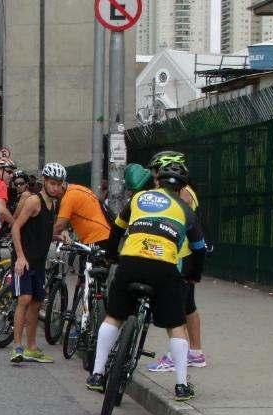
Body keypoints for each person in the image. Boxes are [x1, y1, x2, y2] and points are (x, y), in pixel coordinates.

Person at [86, 160, 206, 402]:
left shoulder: (138, 200)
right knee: (175, 326)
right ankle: (182, 385)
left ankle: (97, 374)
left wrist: (111, 256)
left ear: (157, 181)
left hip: (131, 262)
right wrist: (194, 274)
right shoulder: (185, 209)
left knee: (114, 316)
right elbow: (199, 248)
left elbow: (117, 230)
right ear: (182, 187)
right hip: (164, 268)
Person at [143, 151, 208, 372]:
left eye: (156, 173)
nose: (154, 178)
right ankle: (196, 353)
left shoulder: (183, 195)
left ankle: (174, 355)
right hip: (186, 255)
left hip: (180, 256)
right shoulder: (186, 190)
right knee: (189, 306)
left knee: (177, 306)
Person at [9, 164, 66, 364]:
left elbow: (43, 231)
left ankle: (32, 348)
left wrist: (59, 236)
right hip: (24, 259)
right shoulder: (34, 201)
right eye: (52, 183)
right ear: (44, 181)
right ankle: (17, 347)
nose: (55, 188)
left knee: (36, 303)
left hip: (39, 262)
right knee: (24, 299)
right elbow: (16, 227)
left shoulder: (55, 205)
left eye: (59, 184)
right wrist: (20, 257)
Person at [51, 166, 112, 248]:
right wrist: (64, 230)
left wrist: (45, 238)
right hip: (106, 234)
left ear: (61, 184)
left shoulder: (68, 197)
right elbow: (76, 215)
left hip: (96, 237)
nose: (54, 192)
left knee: (87, 259)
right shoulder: (77, 189)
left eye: (55, 188)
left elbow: (59, 226)